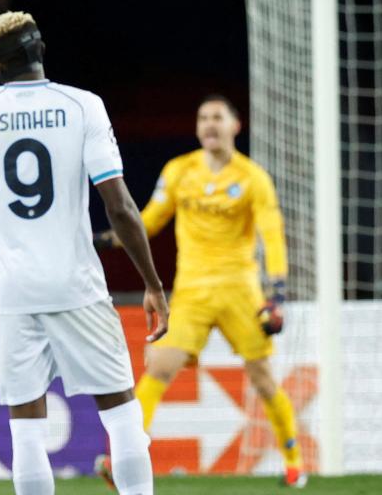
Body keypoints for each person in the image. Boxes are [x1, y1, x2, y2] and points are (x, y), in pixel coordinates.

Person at [0, 11, 168, 495]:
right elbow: (121, 207)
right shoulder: (83, 106)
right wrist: (152, 283)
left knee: (26, 431)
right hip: (76, 283)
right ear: (41, 51)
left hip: (11, 293)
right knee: (123, 417)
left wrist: (1, 265)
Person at [94, 94, 307, 488]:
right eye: (203, 118)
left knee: (262, 380)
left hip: (240, 292)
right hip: (191, 292)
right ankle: (120, 458)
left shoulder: (252, 177)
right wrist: (105, 240)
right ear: (196, 128)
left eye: (217, 118)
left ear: (235, 126)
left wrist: (276, 290)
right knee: (158, 367)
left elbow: (271, 234)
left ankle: (294, 461)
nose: (209, 124)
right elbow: (150, 219)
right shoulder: (179, 171)